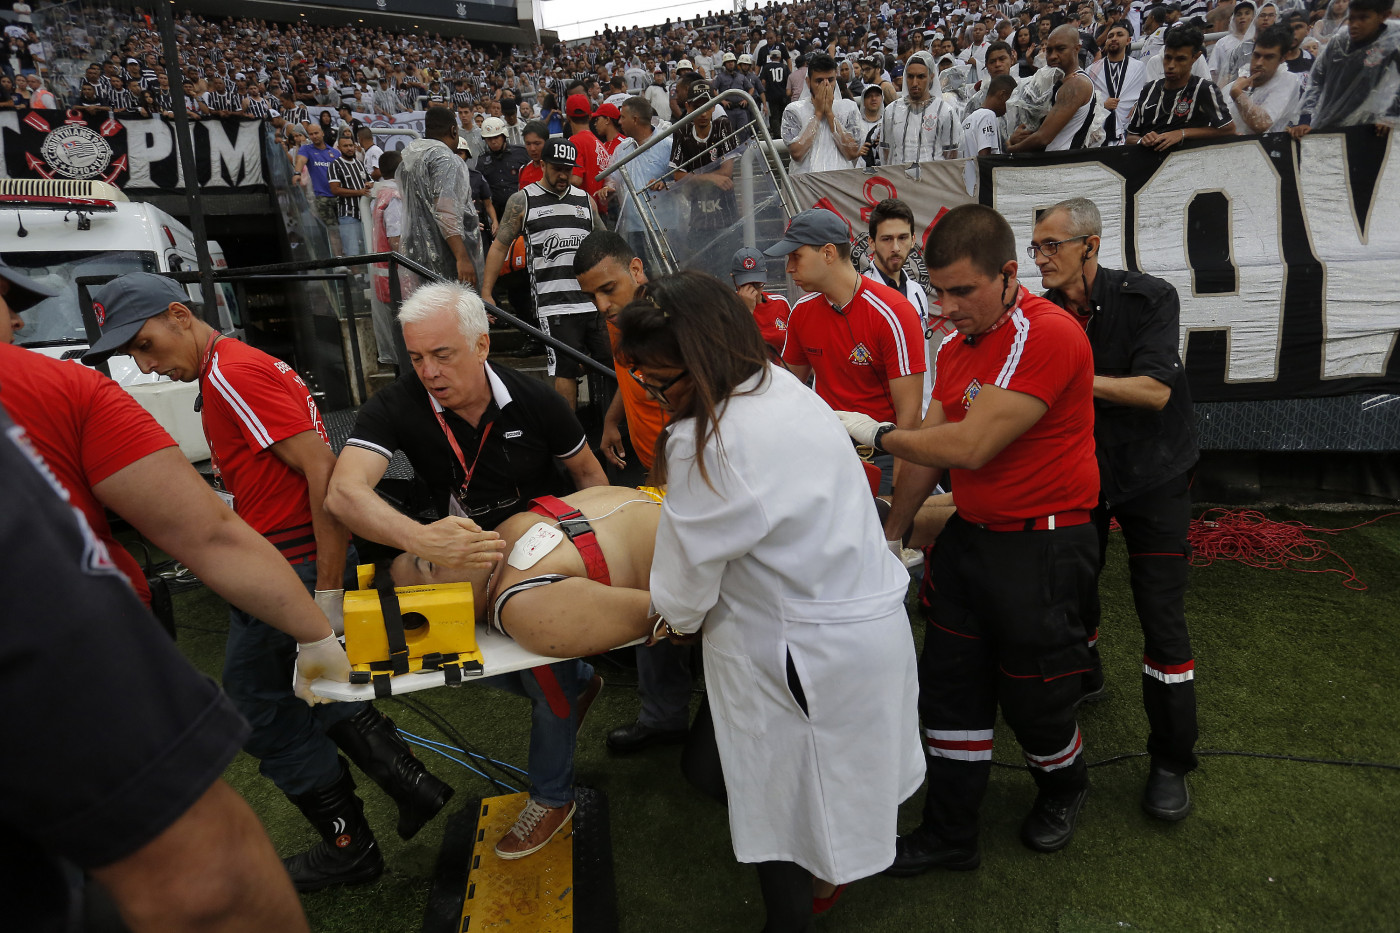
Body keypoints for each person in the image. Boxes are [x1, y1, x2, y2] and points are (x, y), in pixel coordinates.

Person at [80, 273, 454, 890]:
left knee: (257, 705)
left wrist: (325, 592)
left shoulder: (233, 371)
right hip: (286, 559)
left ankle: (353, 841)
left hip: (287, 564)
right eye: (131, 355)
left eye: (145, 345)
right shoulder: (231, 368)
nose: (145, 365)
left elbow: (324, 470)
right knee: (305, 683)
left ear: (179, 316)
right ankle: (408, 785)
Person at [615, 270, 922, 931]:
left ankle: (799, 906)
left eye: (660, 380)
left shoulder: (709, 442)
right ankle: (823, 866)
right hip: (856, 629)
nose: (655, 394)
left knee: (778, 801)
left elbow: (683, 594)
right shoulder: (784, 388)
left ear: (701, 359)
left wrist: (660, 609)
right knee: (724, 770)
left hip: (801, 653)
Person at [835, 204, 1100, 872]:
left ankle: (1064, 784)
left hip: (1043, 547)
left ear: (1009, 276)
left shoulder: (1049, 334)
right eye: (941, 290)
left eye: (963, 291)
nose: (947, 307)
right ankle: (950, 832)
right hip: (972, 538)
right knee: (949, 689)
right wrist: (892, 534)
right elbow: (930, 451)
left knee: (1036, 699)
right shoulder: (955, 345)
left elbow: (973, 444)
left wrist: (876, 434)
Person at [0, 400, 311, 933]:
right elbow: (203, 884)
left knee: (271, 694)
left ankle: (363, 822)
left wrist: (320, 611)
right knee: (264, 696)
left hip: (278, 558)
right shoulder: (64, 388)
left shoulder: (62, 387)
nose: (147, 363)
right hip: (95, 631)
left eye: (144, 344)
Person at [325, 282, 607, 861]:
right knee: (426, 630)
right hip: (462, 552)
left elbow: (590, 478)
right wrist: (420, 536)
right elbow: (344, 493)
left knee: (542, 666)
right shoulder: (398, 402)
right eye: (417, 357)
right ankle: (576, 678)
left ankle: (553, 795)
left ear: (482, 346)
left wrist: (591, 560)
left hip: (542, 547)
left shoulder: (536, 399)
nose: (428, 371)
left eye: (442, 354)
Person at [1033, 197, 1201, 821]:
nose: (1041, 257)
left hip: (1156, 473)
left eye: (1052, 245)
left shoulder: (1149, 297)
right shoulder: (1043, 313)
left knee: (1161, 609)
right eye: (1036, 246)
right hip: (1086, 471)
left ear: (1091, 245)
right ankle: (1087, 671)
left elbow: (1155, 391)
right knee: (1074, 586)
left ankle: (1171, 761)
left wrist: (1072, 376)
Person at [570, 232, 695, 755]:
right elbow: (632, 379)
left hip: (690, 471)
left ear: (638, 269)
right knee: (653, 588)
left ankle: (711, 710)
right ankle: (663, 715)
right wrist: (612, 421)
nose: (603, 303)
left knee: (685, 588)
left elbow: (691, 394)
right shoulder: (618, 320)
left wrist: (672, 465)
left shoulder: (678, 316)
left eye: (609, 287)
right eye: (593, 295)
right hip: (651, 468)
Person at [769, 208, 926, 498]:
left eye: (796, 256)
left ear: (828, 253)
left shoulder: (894, 311)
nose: (789, 268)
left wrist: (898, 494)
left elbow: (910, 417)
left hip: (882, 456)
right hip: (825, 454)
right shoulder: (802, 311)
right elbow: (784, 395)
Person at [481, 137, 610, 410]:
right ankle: (572, 441)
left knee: (609, 364)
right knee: (565, 370)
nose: (563, 175)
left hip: (592, 302)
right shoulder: (523, 200)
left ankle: (612, 430)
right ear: (543, 165)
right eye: (557, 168)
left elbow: (605, 246)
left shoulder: (585, 201)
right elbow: (499, 247)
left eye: (568, 168)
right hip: (554, 305)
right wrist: (486, 292)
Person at [862, 198, 947, 417]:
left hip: (915, 414)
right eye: (887, 239)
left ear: (914, 239)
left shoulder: (918, 292)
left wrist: (924, 415)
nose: (896, 247)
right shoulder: (860, 294)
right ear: (871, 243)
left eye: (903, 238)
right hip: (875, 419)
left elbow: (922, 364)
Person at [397, 104, 484, 288]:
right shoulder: (445, 158)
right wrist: (462, 257)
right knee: (454, 311)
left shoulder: (410, 160)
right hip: (445, 252)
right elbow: (445, 211)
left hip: (417, 250)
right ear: (453, 130)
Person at [1289, 0, 1399, 137]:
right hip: (1330, 122)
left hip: (1376, 129)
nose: (1355, 25)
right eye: (1352, 18)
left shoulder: (1394, 43)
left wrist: (1391, 115)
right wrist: (1305, 119)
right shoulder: (1339, 43)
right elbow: (1317, 80)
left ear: (1384, 16)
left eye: (1363, 18)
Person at [1126, 25, 1237, 147]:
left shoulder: (1203, 89)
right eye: (1168, 57)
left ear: (1195, 57)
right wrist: (1142, 140)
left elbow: (1228, 129)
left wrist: (1182, 133)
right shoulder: (1149, 90)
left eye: (1180, 59)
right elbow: (1130, 137)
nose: (1171, 65)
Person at [671, 83, 739, 276]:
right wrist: (710, 177)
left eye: (707, 105)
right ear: (689, 107)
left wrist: (693, 178)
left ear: (713, 107)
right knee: (701, 278)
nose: (702, 112)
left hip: (726, 218)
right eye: (697, 106)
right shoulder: (682, 131)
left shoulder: (723, 125)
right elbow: (677, 176)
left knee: (727, 277)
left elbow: (727, 172)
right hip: (698, 220)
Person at [1009, 25, 1098, 151]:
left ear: (1077, 49)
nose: (1052, 56)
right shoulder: (1057, 80)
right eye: (1049, 50)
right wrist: (1016, 137)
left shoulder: (1076, 83)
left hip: (1059, 164)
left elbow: (1043, 138)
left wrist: (1010, 148)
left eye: (1060, 49)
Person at [781, 51, 862, 174]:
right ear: (808, 82)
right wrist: (818, 114)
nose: (826, 85)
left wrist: (829, 114)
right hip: (807, 183)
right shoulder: (793, 110)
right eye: (819, 81)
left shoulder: (849, 107)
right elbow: (797, 153)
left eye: (830, 80)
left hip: (840, 182)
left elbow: (852, 153)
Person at [882, 51, 962, 162]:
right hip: (899, 177)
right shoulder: (891, 111)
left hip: (933, 177)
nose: (915, 83)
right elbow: (886, 152)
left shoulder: (945, 111)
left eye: (921, 77)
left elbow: (952, 156)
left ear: (931, 77)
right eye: (910, 77)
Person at [369, 150, 408, 367]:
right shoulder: (394, 198)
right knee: (403, 336)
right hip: (397, 275)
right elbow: (396, 240)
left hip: (382, 274)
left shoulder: (378, 196)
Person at [1226, 24, 1304, 132]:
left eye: (1269, 57)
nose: (1259, 63)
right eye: (1256, 55)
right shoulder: (1236, 83)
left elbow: (1261, 124)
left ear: (1283, 58)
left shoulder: (1288, 80)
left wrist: (1237, 94)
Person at [1089, 23, 1149, 144]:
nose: (1114, 38)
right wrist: (1102, 105)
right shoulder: (1092, 69)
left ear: (1128, 40)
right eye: (1110, 36)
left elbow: (1146, 94)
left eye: (1119, 35)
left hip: (1129, 126)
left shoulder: (1139, 67)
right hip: (1099, 130)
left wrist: (1137, 104)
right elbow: (1087, 99)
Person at [731, 245, 792, 359]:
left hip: (780, 372)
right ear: (734, 280)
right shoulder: (725, 308)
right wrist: (746, 311)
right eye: (745, 285)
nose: (753, 290)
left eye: (757, 284)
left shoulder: (779, 303)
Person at [295, 123, 343, 250]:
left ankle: (349, 260)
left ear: (322, 133)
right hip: (322, 198)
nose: (314, 136)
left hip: (340, 196)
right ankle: (339, 262)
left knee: (345, 230)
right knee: (332, 230)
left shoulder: (334, 153)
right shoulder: (307, 149)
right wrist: (297, 173)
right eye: (311, 134)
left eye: (316, 133)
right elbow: (300, 160)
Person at [328, 132, 373, 257]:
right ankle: (357, 276)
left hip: (364, 214)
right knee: (352, 249)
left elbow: (370, 181)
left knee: (366, 247)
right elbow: (335, 190)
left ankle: (365, 276)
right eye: (346, 146)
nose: (349, 148)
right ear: (339, 148)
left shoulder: (359, 164)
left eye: (351, 145)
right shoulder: (335, 165)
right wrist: (358, 192)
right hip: (348, 213)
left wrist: (370, 184)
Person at [761, 48, 792, 138]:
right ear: (780, 57)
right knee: (784, 115)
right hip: (783, 95)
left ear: (770, 57)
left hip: (772, 95)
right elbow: (789, 80)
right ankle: (785, 134)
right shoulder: (784, 67)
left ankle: (777, 135)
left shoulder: (766, 67)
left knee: (774, 116)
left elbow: (763, 81)